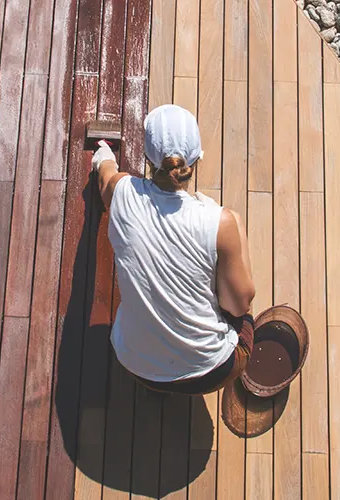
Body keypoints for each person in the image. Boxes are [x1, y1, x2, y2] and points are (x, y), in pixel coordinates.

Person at [91, 104, 256, 395]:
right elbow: (239, 305)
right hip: (212, 370)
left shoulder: (122, 194)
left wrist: (103, 152)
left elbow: (105, 176)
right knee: (242, 298)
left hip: (136, 365)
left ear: (147, 158)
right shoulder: (219, 221)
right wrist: (234, 228)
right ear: (196, 160)